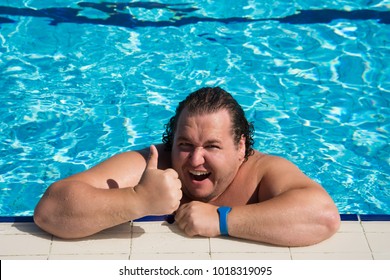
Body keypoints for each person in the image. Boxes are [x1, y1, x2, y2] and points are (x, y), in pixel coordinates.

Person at [34, 87, 340, 246]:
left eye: (212, 146)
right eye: (185, 145)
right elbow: (49, 211)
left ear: (241, 147)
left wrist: (222, 221)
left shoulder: (261, 173)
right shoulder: (153, 165)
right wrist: (136, 199)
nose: (195, 160)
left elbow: (322, 216)